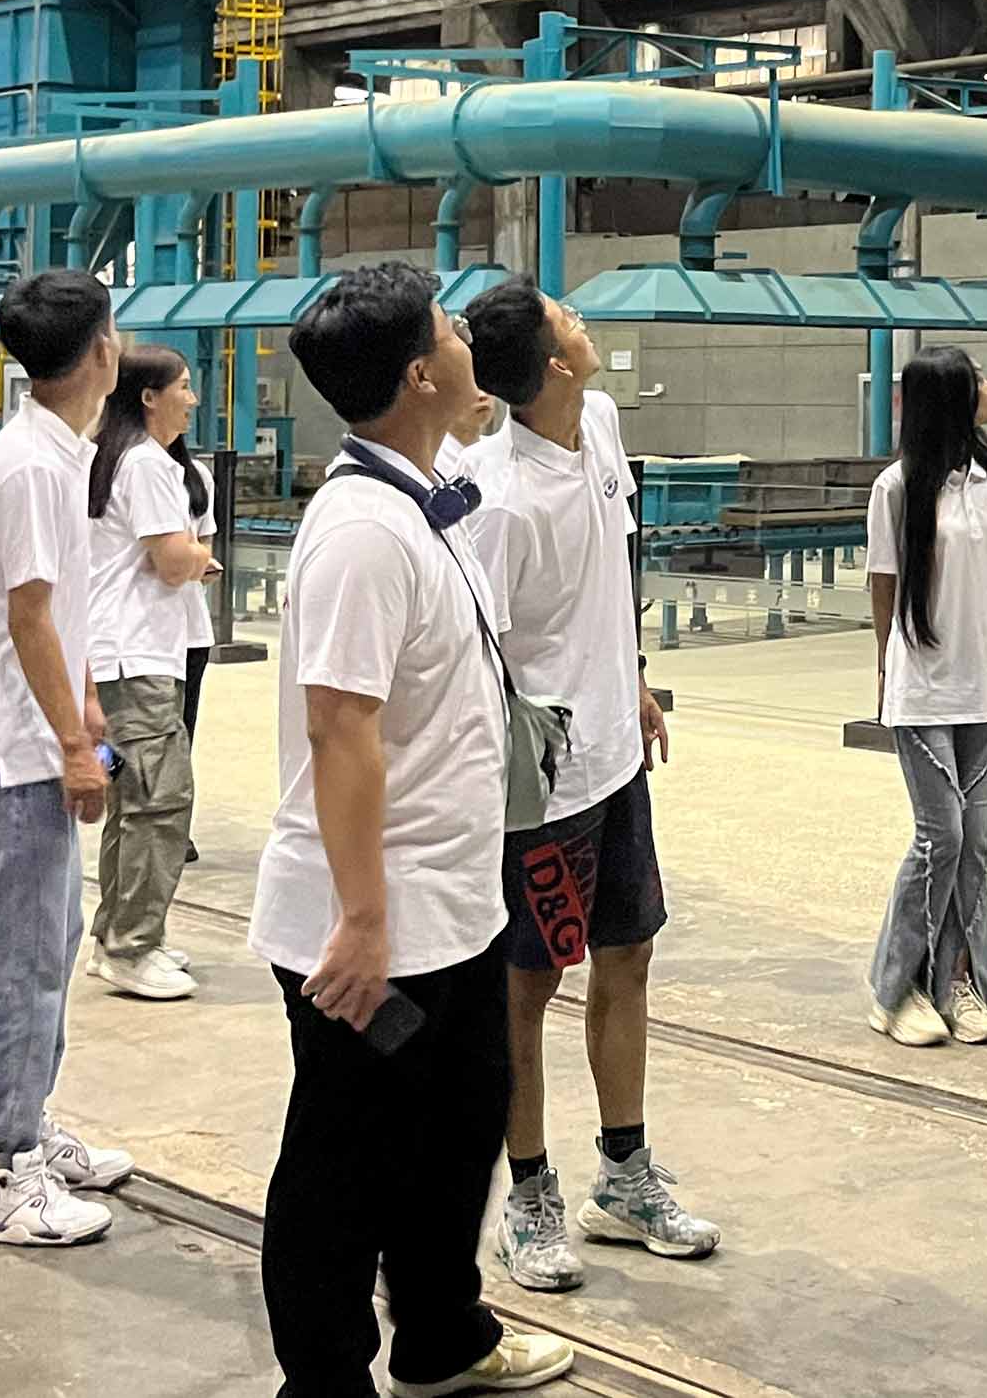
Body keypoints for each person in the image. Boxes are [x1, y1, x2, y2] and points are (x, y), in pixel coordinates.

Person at [252, 263, 571, 1397]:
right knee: (345, 1163)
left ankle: (443, 1339)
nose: (468, 337)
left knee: (458, 1130)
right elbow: (340, 728)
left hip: (450, 907)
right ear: (419, 374)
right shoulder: (360, 533)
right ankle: (324, 1383)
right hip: (371, 929)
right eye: (450, 328)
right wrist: (361, 921)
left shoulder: (423, 499)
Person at [461, 282, 714, 1293]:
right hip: (543, 783)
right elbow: (479, 655)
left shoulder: (600, 421)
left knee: (629, 956)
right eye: (567, 318)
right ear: (553, 364)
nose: (582, 319)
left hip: (616, 759)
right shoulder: (496, 496)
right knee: (525, 988)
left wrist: (633, 676)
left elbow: (610, 572)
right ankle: (528, 1196)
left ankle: (625, 1177)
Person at [0, 268, 134, 1248]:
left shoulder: (51, 452)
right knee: (16, 965)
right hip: (8, 755)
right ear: (100, 350)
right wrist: (73, 746)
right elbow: (28, 618)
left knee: (50, 945)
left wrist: (85, 707)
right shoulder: (34, 466)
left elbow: (55, 610)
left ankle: (26, 1125)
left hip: (23, 742)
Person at [864, 346, 987, 1050]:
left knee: (977, 842)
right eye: (978, 380)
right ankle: (894, 988)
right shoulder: (896, 489)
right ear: (949, 398)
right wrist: (883, 668)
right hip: (925, 689)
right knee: (943, 837)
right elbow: (884, 582)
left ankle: (959, 982)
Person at [83, 345, 215, 1002]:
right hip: (136, 659)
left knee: (132, 802)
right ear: (149, 397)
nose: (192, 399)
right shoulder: (148, 464)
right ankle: (132, 946)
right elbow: (171, 560)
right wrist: (197, 558)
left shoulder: (116, 458)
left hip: (119, 655)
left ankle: (116, 934)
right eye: (183, 387)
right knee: (161, 801)